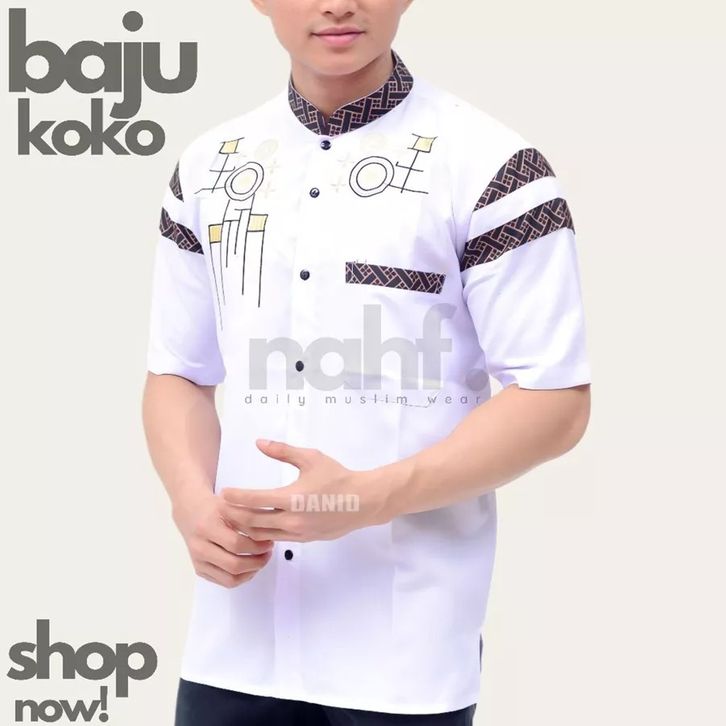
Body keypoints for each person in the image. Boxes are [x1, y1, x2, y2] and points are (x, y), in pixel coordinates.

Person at [141, 1, 592, 724]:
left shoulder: (491, 167)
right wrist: (191, 503)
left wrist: (366, 499)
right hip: (234, 640)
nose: (338, 4)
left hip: (403, 649)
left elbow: (554, 399)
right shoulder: (208, 169)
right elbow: (179, 373)